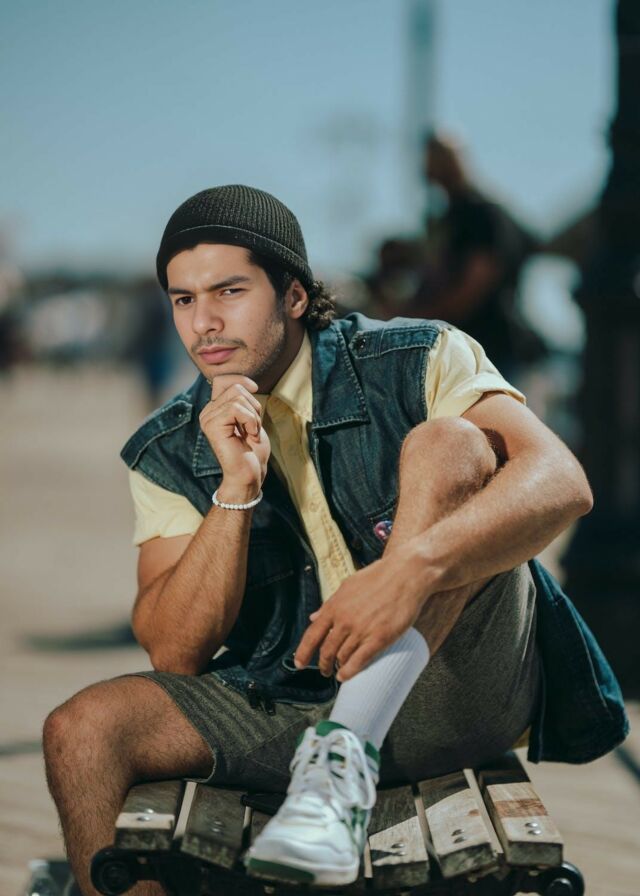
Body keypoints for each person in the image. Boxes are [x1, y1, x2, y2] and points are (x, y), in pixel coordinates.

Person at [43, 185, 627, 895]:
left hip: (453, 685)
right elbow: (175, 652)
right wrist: (236, 487)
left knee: (448, 443)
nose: (204, 323)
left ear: (294, 295)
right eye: (184, 299)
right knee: (82, 731)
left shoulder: (415, 356)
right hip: (291, 701)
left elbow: (562, 480)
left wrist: (409, 571)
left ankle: (339, 765)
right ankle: (331, 759)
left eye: (229, 291)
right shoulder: (169, 448)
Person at [370, 133, 545, 377]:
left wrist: (418, 317)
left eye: (437, 156)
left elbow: (474, 286)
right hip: (461, 353)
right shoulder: (448, 218)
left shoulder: (481, 214)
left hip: (493, 350)